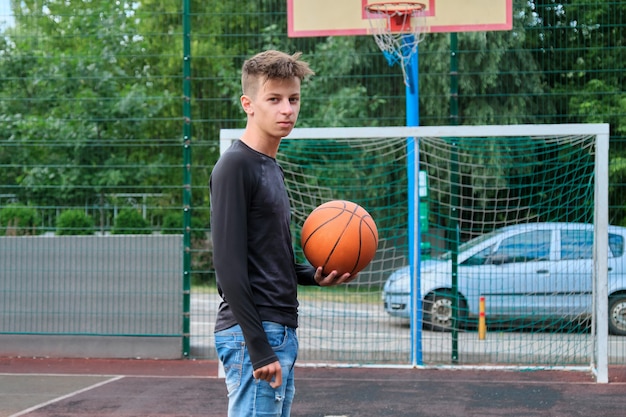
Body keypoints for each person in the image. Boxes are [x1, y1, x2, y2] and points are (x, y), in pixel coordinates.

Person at [210, 50, 356, 417]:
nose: (286, 109)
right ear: (249, 104)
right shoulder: (235, 165)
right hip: (254, 332)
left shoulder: (270, 167)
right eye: (273, 99)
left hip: (278, 328)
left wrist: (314, 275)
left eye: (293, 99)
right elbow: (228, 268)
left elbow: (273, 259)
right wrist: (259, 347)